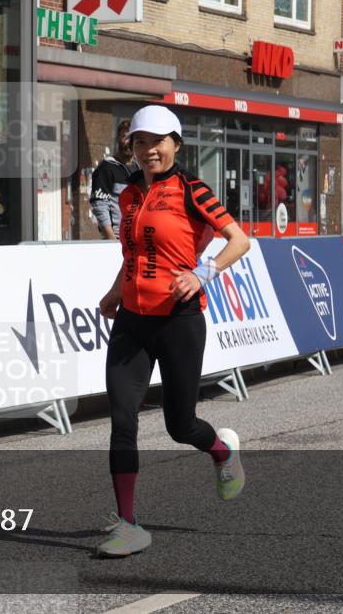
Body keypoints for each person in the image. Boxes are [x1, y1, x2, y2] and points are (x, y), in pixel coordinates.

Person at [96, 105, 250, 557]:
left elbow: (238, 239)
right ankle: (128, 525)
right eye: (140, 142)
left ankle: (221, 451)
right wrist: (114, 292)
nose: (149, 150)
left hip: (179, 320)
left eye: (158, 141)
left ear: (176, 144)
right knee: (122, 422)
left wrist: (204, 273)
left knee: (180, 425)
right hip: (132, 320)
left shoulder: (191, 190)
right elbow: (133, 254)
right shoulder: (128, 195)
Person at [90, 119, 135, 240]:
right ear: (117, 139)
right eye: (124, 136)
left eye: (132, 137)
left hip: (137, 239)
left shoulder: (140, 168)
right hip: (117, 239)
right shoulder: (107, 167)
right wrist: (111, 239)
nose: (128, 142)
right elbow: (99, 204)